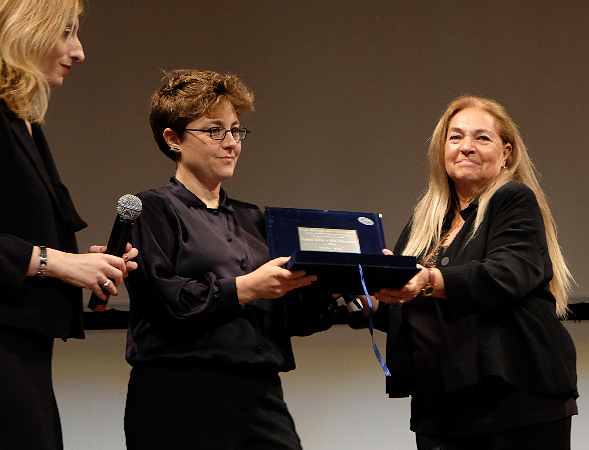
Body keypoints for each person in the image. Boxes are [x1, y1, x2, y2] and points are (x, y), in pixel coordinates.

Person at [124, 69, 343, 450]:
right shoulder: (152, 209)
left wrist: (337, 285)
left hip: (259, 396)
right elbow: (167, 302)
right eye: (214, 131)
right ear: (173, 139)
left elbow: (289, 318)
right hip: (179, 397)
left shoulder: (253, 219)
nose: (231, 143)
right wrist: (246, 287)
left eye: (236, 130)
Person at [364, 96, 578, 450]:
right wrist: (366, 293)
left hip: (513, 403)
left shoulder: (512, 199)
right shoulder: (426, 219)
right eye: (455, 137)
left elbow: (506, 274)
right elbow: (405, 305)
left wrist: (428, 280)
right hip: (439, 409)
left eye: (482, 138)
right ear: (442, 149)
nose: (466, 147)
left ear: (506, 152)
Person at [0, 1, 138, 449]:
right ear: (26, 29)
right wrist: (58, 263)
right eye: (65, 32)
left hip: (25, 346)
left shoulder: (23, 120)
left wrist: (84, 266)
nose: (78, 51)